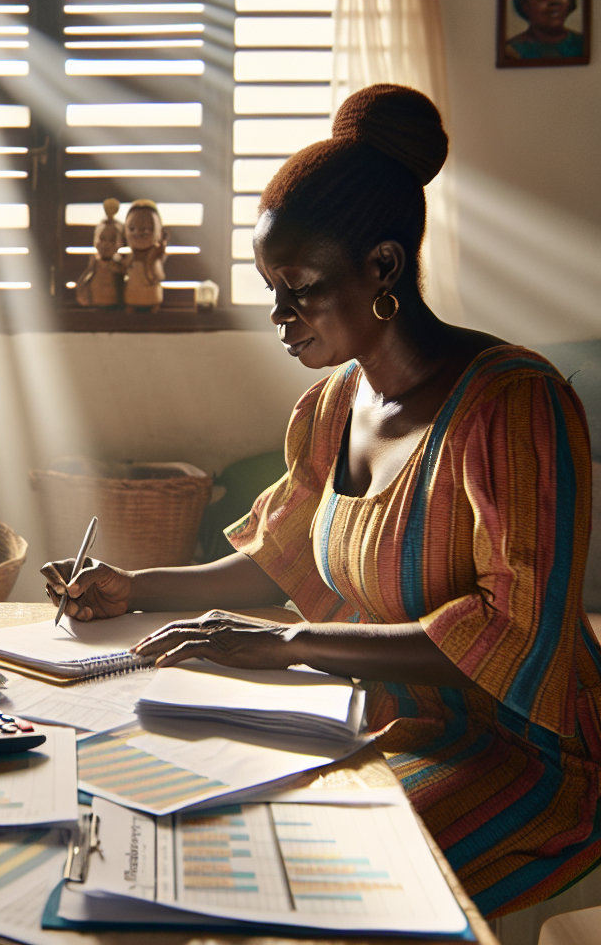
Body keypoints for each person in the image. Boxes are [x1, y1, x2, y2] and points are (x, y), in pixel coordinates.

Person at [42, 84, 601, 918]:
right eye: (271, 287)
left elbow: (511, 629)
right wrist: (138, 584)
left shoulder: (511, 407)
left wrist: (293, 645)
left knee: (301, 873)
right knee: (178, 826)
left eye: (297, 287)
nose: (278, 314)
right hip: (381, 719)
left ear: (382, 265)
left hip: (516, 749)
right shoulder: (334, 406)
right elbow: (274, 556)